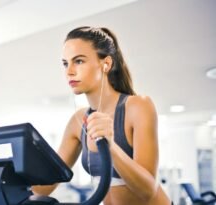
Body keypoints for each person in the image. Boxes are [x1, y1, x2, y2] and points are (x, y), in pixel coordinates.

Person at [30, 27, 172, 205]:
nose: (69, 71)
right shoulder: (77, 121)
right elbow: (45, 186)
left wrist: (110, 146)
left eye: (79, 61)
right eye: (65, 63)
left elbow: (148, 191)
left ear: (106, 64)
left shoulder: (138, 106)